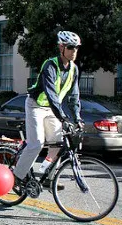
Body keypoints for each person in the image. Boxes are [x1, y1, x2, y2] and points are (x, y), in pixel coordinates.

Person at [12, 31, 84, 191]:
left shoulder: (74, 69)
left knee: (57, 145)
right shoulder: (50, 65)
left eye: (77, 48)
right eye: (71, 48)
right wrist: (64, 118)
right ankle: (17, 176)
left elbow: (74, 97)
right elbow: (51, 94)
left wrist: (77, 118)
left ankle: (47, 176)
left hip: (52, 109)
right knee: (36, 143)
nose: (74, 52)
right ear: (61, 47)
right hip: (35, 105)